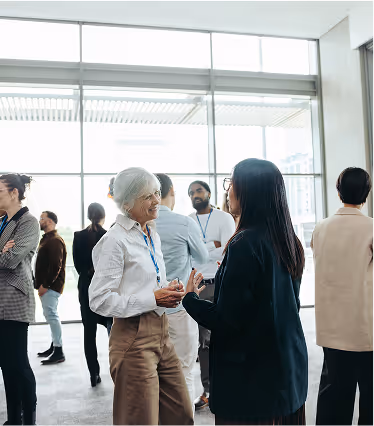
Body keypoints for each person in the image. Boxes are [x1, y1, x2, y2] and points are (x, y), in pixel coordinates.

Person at [183, 158, 308, 424]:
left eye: (231, 182)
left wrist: (190, 298)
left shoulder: (243, 243)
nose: (227, 190)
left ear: (249, 190)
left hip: (252, 379)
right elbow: (288, 304)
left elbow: (226, 318)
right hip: (288, 370)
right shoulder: (289, 238)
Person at [89, 167, 193, 425]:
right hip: (133, 339)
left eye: (157, 193)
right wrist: (154, 299)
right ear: (126, 203)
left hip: (162, 332)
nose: (157, 200)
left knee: (181, 414)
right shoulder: (115, 240)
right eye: (148, 196)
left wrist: (172, 288)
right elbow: (99, 299)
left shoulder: (150, 232)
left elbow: (147, 282)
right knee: (141, 420)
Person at [312, 167, 373, 425]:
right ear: (366, 194)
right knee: (371, 398)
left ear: (338, 192)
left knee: (334, 397)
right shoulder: (370, 228)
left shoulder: (320, 228)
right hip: (366, 327)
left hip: (332, 328)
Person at [154, 173, 209, 411]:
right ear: (172, 191)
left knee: (155, 373)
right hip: (178, 307)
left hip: (149, 308)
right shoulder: (185, 223)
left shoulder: (141, 223)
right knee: (184, 369)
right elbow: (202, 258)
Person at [188, 180, 235, 409]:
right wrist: (211, 245)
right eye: (191, 193)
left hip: (222, 283)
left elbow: (226, 248)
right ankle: (208, 390)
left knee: (227, 337)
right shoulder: (188, 221)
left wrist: (201, 247)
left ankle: (229, 386)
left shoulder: (224, 218)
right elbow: (190, 255)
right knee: (203, 343)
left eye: (198, 190)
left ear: (207, 192)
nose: (195, 195)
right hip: (198, 286)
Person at [0, 173, 39, 425]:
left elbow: (11, 260)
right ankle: (14, 416)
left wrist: (5, 252)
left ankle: (28, 417)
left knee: (18, 363)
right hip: (1, 301)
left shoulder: (28, 221)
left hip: (14, 299)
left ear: (14, 192)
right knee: (6, 364)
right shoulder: (2, 221)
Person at [73, 202, 113, 387]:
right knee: (113, 334)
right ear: (103, 216)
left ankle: (93, 375)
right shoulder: (109, 236)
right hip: (105, 291)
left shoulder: (78, 236)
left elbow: (79, 267)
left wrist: (89, 272)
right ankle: (117, 371)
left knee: (89, 335)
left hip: (86, 291)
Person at [34, 211, 67, 365]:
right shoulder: (47, 239)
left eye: (42, 219)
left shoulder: (55, 241)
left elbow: (56, 266)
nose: (40, 221)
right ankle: (54, 346)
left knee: (52, 316)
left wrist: (45, 285)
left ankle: (59, 351)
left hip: (50, 286)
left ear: (51, 221)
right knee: (50, 316)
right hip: (46, 286)